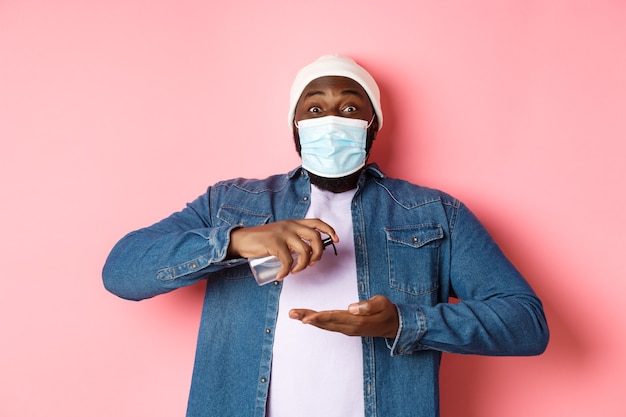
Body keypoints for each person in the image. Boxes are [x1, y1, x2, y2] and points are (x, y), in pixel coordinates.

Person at [103, 54, 549, 417]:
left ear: (372, 126)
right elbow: (123, 270)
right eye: (314, 109)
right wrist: (236, 240)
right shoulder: (232, 203)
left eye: (350, 108)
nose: (332, 120)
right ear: (295, 127)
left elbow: (526, 324)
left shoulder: (434, 213)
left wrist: (404, 322)